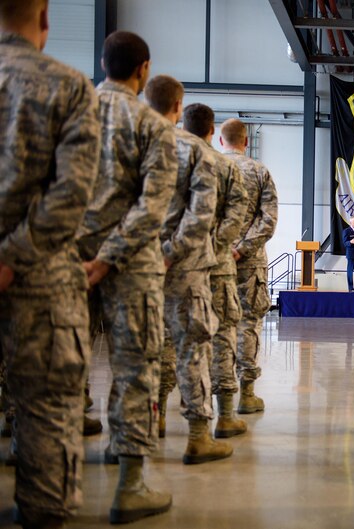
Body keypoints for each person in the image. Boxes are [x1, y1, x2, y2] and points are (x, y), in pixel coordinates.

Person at [0, 1, 100, 526]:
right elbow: (72, 195)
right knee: (45, 416)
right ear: (43, 17)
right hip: (39, 285)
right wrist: (11, 260)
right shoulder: (68, 87)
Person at [76, 31, 176, 523]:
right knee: (135, 365)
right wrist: (110, 257)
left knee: (64, 358)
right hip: (129, 264)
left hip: (70, 259)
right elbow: (153, 205)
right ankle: (129, 481)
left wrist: (80, 254)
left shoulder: (73, 112)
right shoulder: (151, 125)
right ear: (144, 70)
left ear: (103, 62)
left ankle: (47, 473)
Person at [149, 85, 238, 465]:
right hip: (187, 266)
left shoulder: (145, 143)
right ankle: (199, 436)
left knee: (149, 349)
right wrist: (173, 253)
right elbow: (206, 214)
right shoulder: (205, 156)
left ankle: (148, 427)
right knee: (192, 348)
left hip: (141, 263)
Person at [220, 118, 278, 414]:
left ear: (221, 141)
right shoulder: (259, 171)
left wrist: (218, 249)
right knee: (248, 325)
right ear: (246, 142)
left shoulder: (209, 167)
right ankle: (246, 395)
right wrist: (241, 250)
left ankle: (220, 400)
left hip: (212, 263)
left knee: (217, 327)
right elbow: (268, 221)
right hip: (250, 263)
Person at [203, 113, 249, 439]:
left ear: (219, 139)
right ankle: (235, 405)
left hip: (178, 264)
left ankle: (162, 415)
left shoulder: (196, 163)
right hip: (228, 263)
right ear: (245, 141)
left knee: (183, 342)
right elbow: (262, 217)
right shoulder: (248, 170)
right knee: (229, 335)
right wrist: (230, 248)